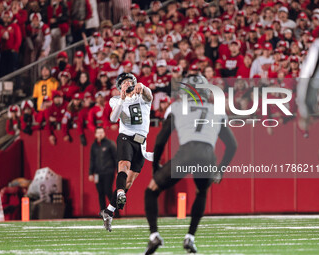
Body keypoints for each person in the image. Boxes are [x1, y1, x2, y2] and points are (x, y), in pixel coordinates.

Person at [144, 75, 237, 254]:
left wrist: (155, 167)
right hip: (208, 155)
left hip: (186, 153)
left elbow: (160, 140)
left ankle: (154, 235)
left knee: (151, 190)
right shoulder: (215, 110)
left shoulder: (177, 107)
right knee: (201, 192)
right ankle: (190, 238)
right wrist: (220, 170)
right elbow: (232, 145)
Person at [101, 72, 153, 232]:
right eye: (124, 82)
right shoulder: (115, 100)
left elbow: (150, 96)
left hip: (141, 142)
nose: (127, 83)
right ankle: (120, 194)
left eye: (130, 81)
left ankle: (109, 210)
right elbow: (112, 118)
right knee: (124, 164)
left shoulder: (142, 95)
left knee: (129, 181)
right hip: (126, 137)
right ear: (119, 86)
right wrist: (122, 99)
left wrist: (143, 87)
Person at [89, 127, 117, 212]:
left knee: (108, 191)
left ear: (104, 133)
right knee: (100, 192)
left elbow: (116, 158)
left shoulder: (110, 144)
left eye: (102, 132)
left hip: (109, 171)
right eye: (98, 132)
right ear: (95, 134)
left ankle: (115, 211)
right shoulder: (94, 146)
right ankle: (102, 211)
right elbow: (92, 160)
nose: (100, 134)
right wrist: (90, 173)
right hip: (97, 173)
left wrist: (118, 171)